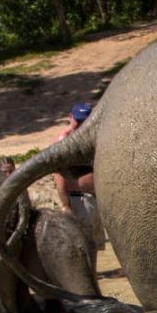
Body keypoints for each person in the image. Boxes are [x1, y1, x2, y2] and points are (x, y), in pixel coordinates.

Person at [53, 102, 105, 266]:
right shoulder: (64, 141)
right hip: (78, 199)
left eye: (85, 120)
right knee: (83, 241)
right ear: (70, 118)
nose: (81, 124)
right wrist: (65, 204)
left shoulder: (94, 139)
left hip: (94, 198)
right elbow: (59, 176)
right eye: (78, 120)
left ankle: (93, 272)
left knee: (95, 242)